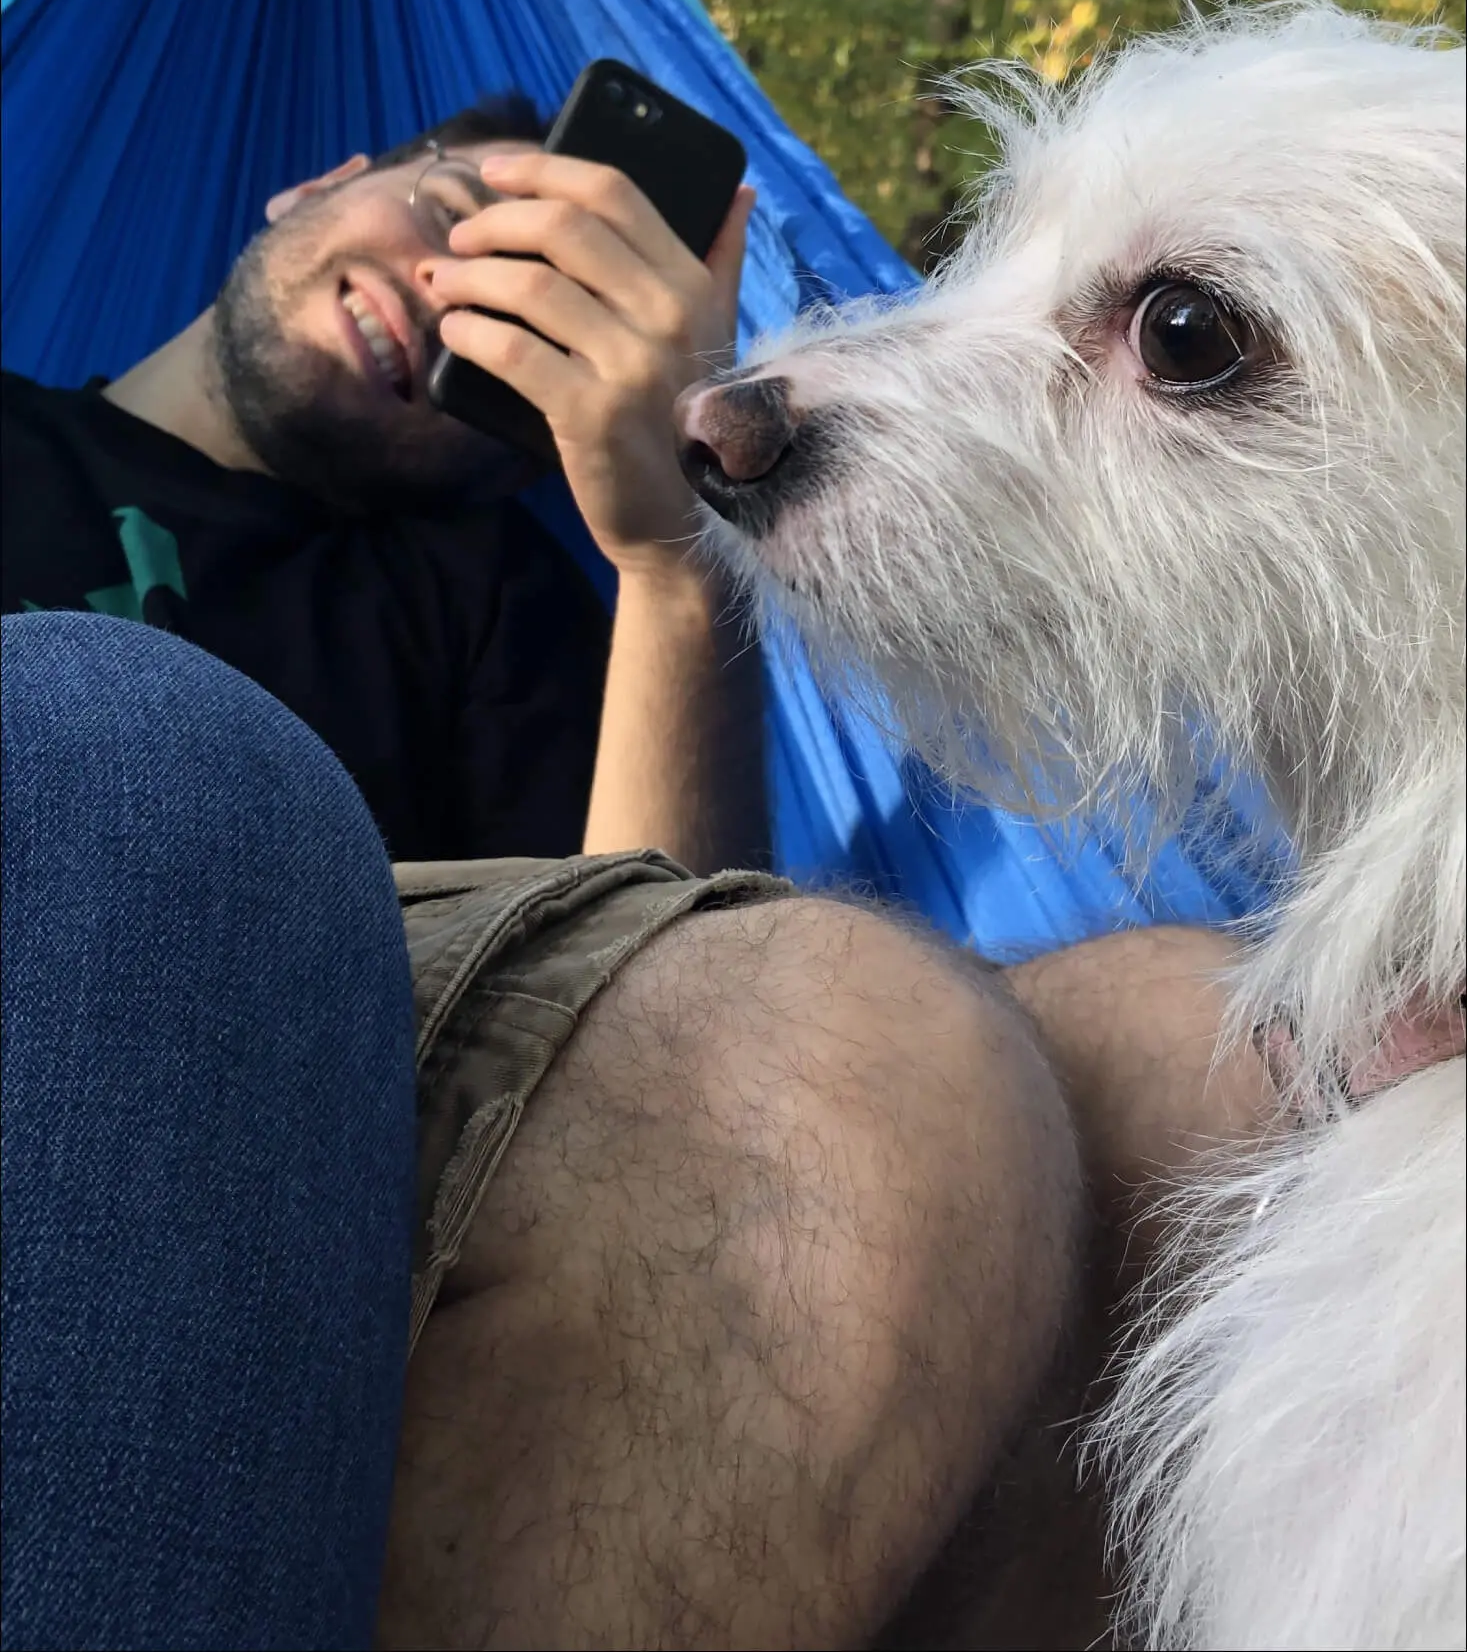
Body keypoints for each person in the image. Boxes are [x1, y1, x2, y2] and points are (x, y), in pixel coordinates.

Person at [2, 602, 1279, 1652]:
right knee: (141, 754)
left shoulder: (487, 588)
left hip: (350, 1027)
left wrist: (664, 567)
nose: (429, 280)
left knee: (1203, 1060)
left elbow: (666, 931)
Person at [1, 95, 764, 876]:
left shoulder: (497, 614)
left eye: (524, 325)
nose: (449, 294)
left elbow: (650, 980)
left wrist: (674, 568)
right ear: (317, 186)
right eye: (451, 214)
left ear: (536, 446)